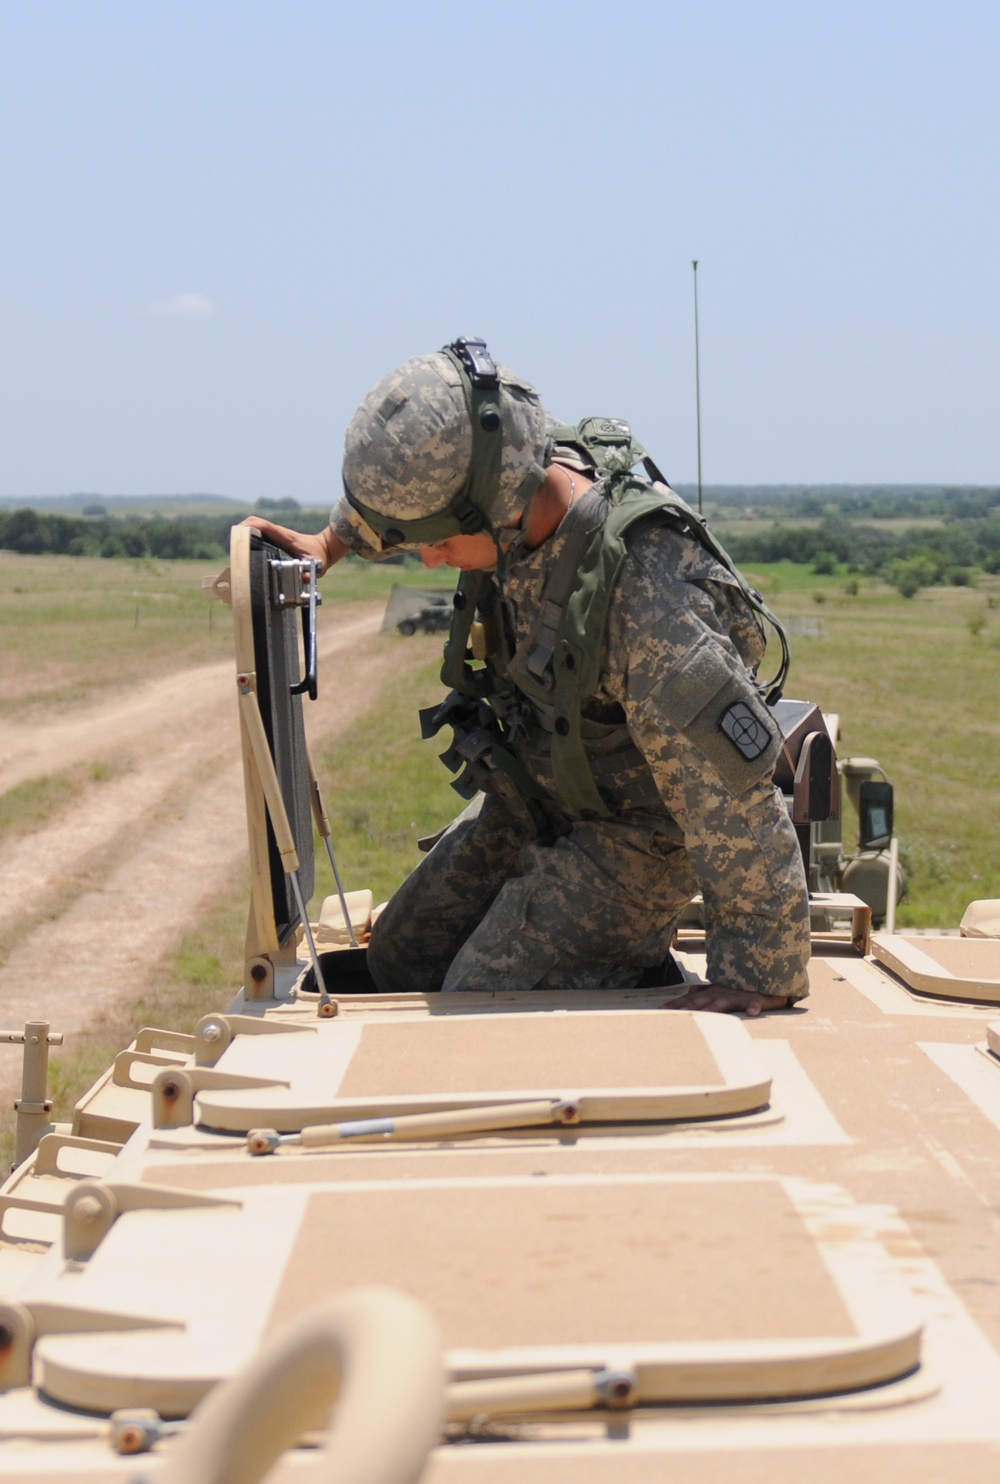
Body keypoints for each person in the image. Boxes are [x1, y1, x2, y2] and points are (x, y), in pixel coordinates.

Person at [244, 337, 810, 1015]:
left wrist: (758, 964)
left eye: (442, 544)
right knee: (399, 956)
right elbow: (413, 493)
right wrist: (330, 544)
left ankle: (618, 972)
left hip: (639, 830)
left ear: (496, 504)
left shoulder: (645, 594)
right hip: (542, 792)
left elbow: (729, 784)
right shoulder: (501, 475)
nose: (430, 562)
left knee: (479, 1002)